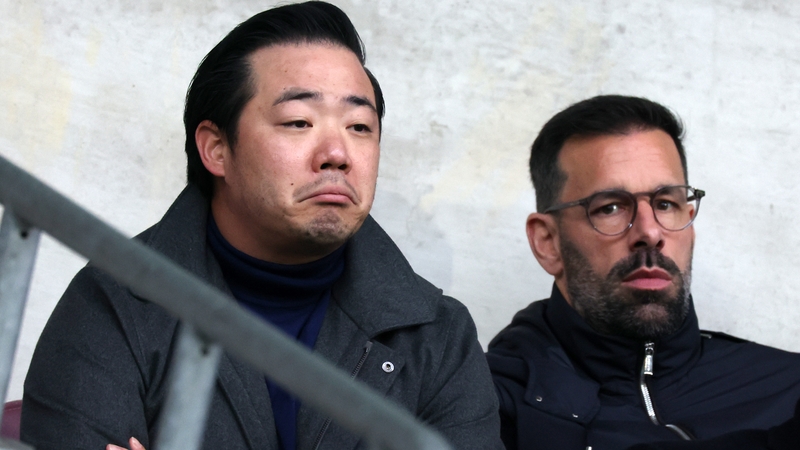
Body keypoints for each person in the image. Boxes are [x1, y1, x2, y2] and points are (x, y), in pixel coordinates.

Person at [20, 3, 502, 450]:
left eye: (360, 127)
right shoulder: (116, 303)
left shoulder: (436, 333)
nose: (337, 153)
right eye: (297, 122)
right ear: (216, 149)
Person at [485, 95, 800, 450]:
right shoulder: (486, 409)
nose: (650, 232)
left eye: (667, 204)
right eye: (610, 208)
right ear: (548, 242)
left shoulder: (789, 388)